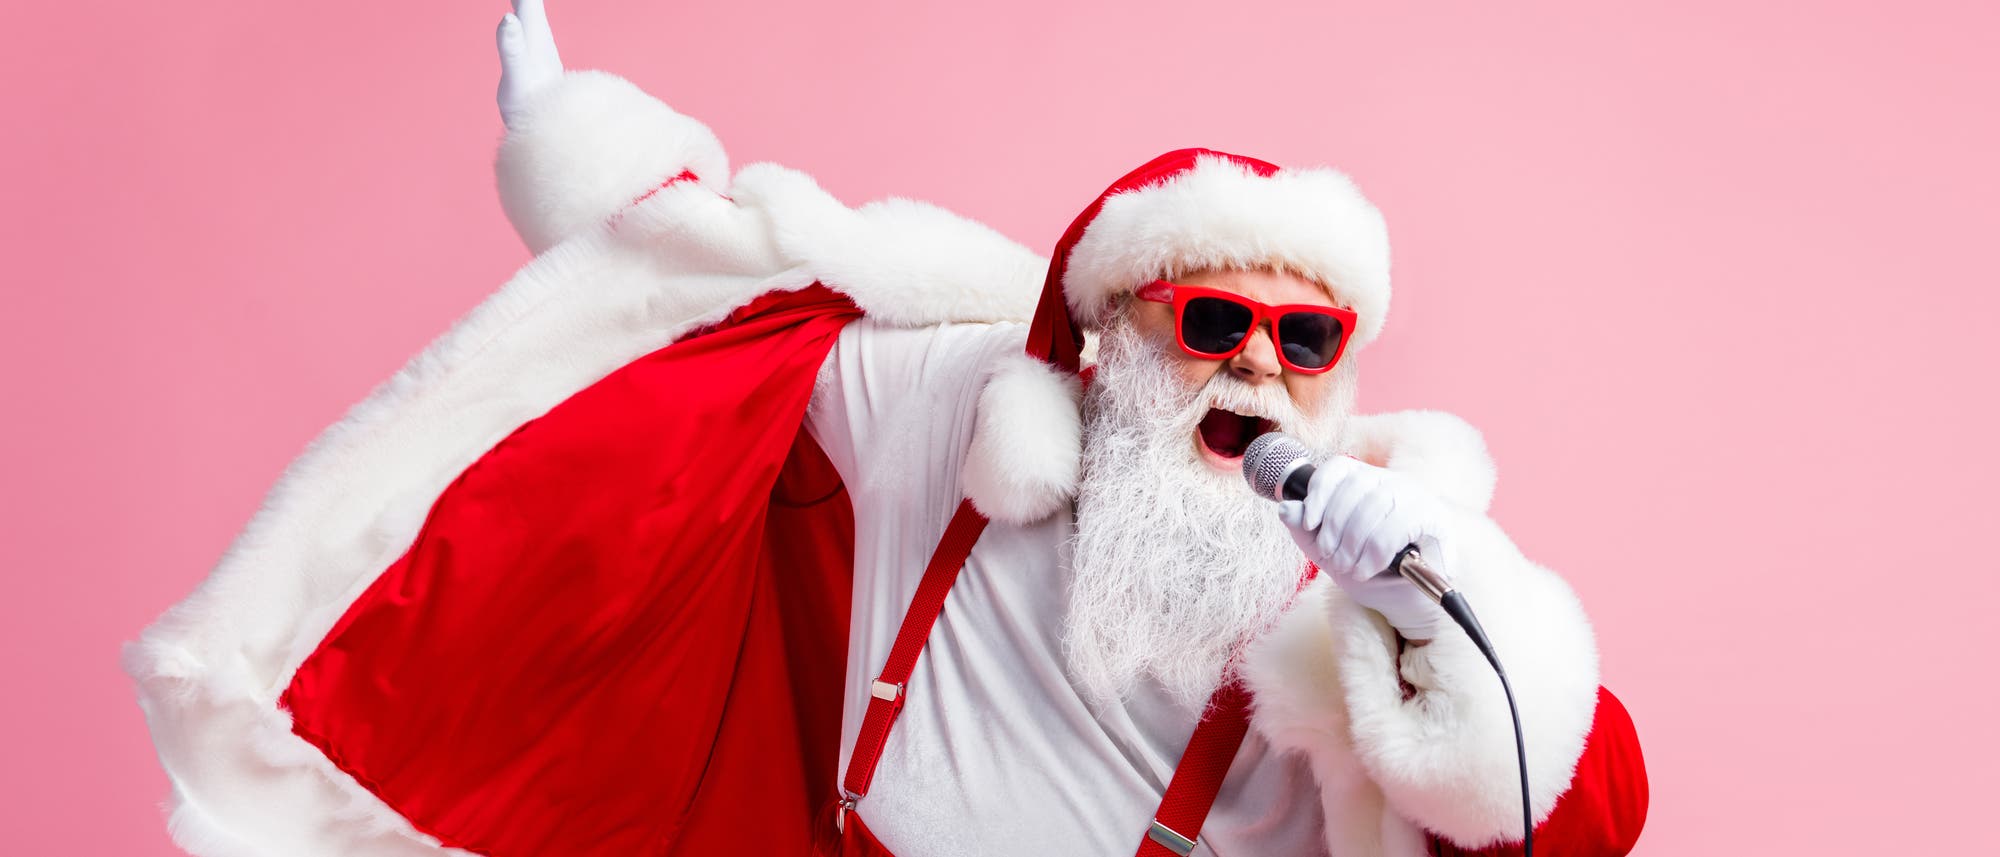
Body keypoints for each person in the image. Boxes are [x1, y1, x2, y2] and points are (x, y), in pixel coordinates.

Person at [126, 2, 1647, 855]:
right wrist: (569, 137)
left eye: (1303, 338)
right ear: (1108, 340)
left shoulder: (1371, 587)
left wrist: (1454, 609)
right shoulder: (952, 408)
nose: (1256, 367)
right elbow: (746, 273)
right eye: (1211, 322)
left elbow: (1576, 819)